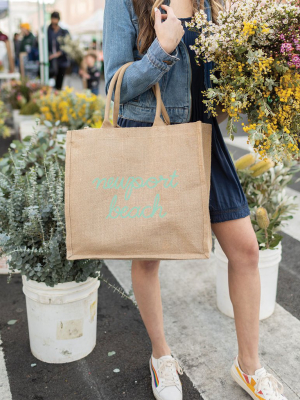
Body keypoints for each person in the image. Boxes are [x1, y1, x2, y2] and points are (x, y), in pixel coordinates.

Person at [103, 1, 289, 400]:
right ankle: (161, 357)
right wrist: (162, 50)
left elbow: (211, 83)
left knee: (246, 251)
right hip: (150, 137)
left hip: (202, 138)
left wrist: (255, 65)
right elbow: (113, 84)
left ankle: (249, 366)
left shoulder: (209, 2)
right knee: (148, 256)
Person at [47, 11, 70, 90]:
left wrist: (58, 53)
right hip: (50, 61)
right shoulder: (47, 31)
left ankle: (58, 95)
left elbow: (68, 46)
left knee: (59, 82)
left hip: (61, 60)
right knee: (50, 82)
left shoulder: (64, 32)